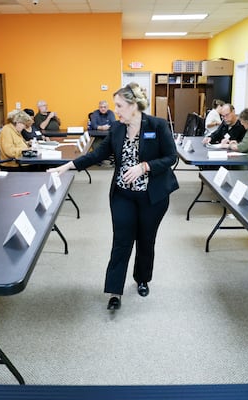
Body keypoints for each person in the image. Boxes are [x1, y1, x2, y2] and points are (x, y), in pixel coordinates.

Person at [47, 82, 179, 311]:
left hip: (152, 197)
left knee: (146, 240)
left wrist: (145, 166)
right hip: (123, 196)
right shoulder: (117, 129)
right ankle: (114, 290)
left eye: (119, 105)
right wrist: (67, 166)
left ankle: (142, 279)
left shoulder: (156, 125)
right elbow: (97, 154)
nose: (115, 110)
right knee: (121, 241)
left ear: (133, 105)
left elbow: (171, 157)